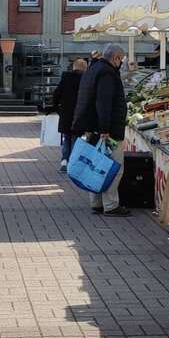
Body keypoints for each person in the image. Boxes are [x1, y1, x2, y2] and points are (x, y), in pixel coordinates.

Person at [72, 43, 130, 217]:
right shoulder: (107, 73)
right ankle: (111, 204)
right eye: (121, 59)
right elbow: (104, 103)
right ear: (116, 58)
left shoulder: (94, 68)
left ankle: (96, 202)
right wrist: (105, 128)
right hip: (107, 130)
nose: (121, 63)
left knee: (96, 164)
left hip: (92, 127)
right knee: (112, 167)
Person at [52, 58, 88, 172]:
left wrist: (57, 108)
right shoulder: (86, 79)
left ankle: (64, 161)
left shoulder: (65, 78)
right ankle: (72, 162)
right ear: (85, 68)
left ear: (74, 67)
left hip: (66, 113)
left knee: (66, 137)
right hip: (79, 114)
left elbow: (56, 94)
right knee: (75, 138)